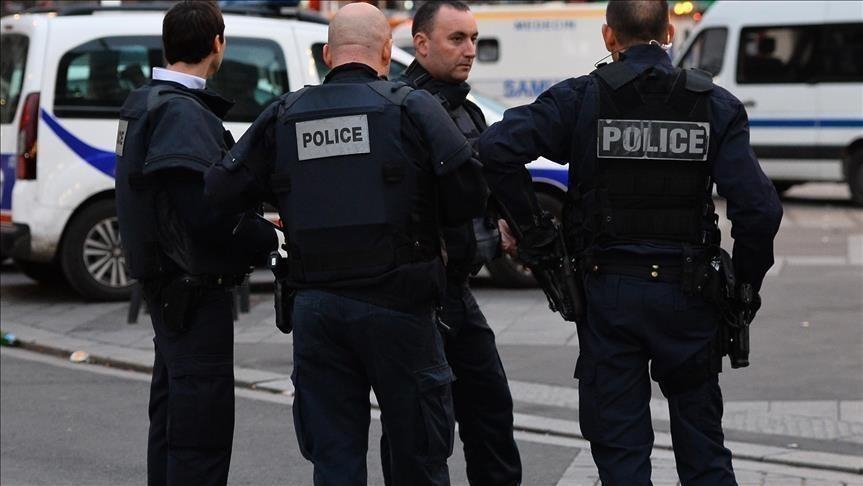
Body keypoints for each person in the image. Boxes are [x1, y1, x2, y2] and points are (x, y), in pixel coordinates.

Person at [477, 1, 783, 484]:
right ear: (668, 30)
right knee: (704, 453)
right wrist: (744, 286)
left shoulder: (581, 99)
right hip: (691, 294)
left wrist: (536, 235)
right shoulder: (714, 104)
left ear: (608, 37)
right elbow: (760, 210)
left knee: (622, 458)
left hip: (608, 295)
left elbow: (494, 150)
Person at [204, 3, 487, 485]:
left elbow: (218, 193)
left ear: (327, 54)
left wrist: (276, 219)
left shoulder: (285, 113)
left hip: (317, 308)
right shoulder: (412, 106)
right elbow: (469, 192)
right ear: (384, 51)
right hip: (400, 305)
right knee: (418, 456)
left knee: (335, 462)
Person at [114, 2, 277, 484]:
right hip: (194, 292)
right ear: (217, 45)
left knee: (172, 425)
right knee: (198, 435)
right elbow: (206, 213)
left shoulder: (145, 101)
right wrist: (269, 238)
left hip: (169, 292)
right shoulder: (180, 113)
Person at [384, 2, 522, 485]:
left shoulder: (466, 109)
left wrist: (500, 222)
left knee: (491, 411)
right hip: (419, 294)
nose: (469, 50)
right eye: (456, 39)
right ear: (420, 45)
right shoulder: (400, 109)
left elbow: (481, 188)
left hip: (458, 291)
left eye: (473, 39)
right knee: (422, 431)